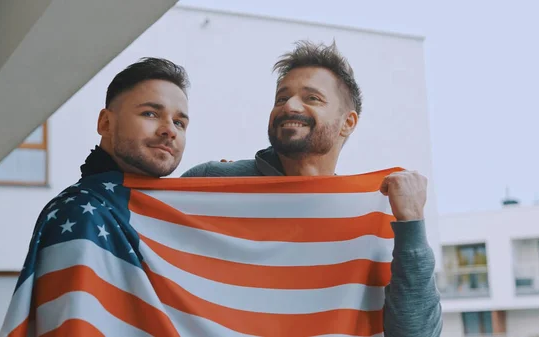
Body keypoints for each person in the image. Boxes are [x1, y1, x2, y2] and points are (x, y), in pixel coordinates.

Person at [181, 40, 443, 336]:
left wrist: (412, 224)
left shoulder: (375, 212)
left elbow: (416, 332)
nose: (290, 106)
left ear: (348, 123)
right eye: (281, 98)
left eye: (312, 98)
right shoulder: (212, 185)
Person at [0, 57, 191, 336]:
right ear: (105, 123)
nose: (169, 130)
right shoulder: (78, 212)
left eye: (180, 122)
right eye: (150, 113)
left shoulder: (170, 216)